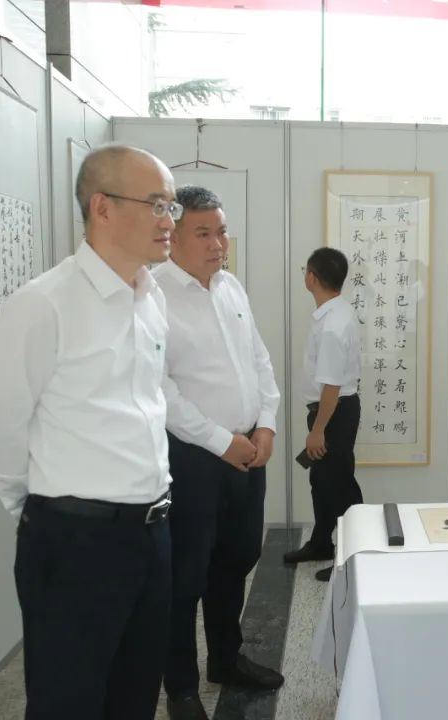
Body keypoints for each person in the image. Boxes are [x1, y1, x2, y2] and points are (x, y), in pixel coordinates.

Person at [0, 145, 180, 720]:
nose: (169, 219)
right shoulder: (44, 304)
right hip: (74, 542)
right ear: (102, 207)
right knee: (68, 701)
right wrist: (44, 512)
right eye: (156, 204)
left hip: (152, 532)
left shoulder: (150, 298)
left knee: (135, 695)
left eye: (172, 206)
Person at [156, 185, 284, 720]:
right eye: (204, 233)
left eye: (223, 231)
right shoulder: (153, 294)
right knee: (186, 576)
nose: (218, 244)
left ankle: (226, 659)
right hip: (193, 457)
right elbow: (160, 390)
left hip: (247, 449)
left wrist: (267, 423)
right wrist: (219, 441)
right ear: (173, 236)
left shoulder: (231, 287)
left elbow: (259, 359)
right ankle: (181, 689)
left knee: (236, 559)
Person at [282, 248, 362, 582]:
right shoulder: (337, 311)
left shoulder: (332, 324)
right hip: (333, 410)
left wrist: (317, 430)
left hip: (333, 412)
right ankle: (321, 543)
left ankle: (356, 557)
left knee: (338, 484)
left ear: (311, 278)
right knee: (322, 481)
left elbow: (331, 385)